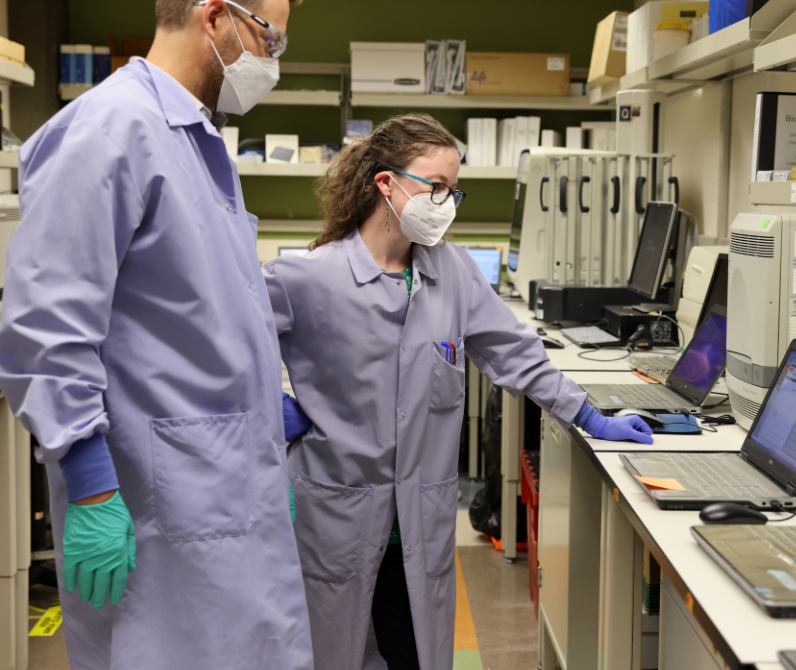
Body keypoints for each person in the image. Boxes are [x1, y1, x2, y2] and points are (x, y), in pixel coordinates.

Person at [0, 0, 313, 670]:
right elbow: (47, 328)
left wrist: (266, 419)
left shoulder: (195, 137)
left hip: (221, 478)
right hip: (158, 497)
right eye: (269, 36)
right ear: (214, 17)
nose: (273, 59)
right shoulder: (111, 129)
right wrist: (90, 483)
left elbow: (194, 309)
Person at [264, 114, 654, 670]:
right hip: (337, 517)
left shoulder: (453, 272)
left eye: (454, 189)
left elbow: (517, 355)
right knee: (334, 653)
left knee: (412, 653)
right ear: (386, 184)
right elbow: (221, 344)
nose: (447, 202)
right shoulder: (306, 278)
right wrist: (263, 407)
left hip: (418, 522)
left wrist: (590, 415)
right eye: (436, 187)